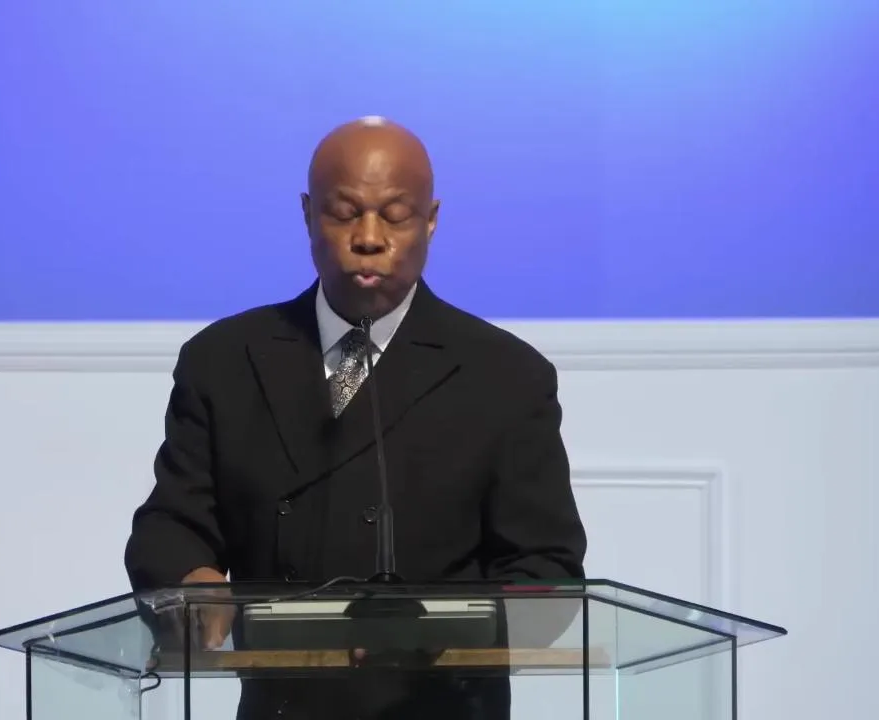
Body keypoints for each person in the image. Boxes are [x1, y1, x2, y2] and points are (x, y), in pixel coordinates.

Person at [124, 116, 587, 719]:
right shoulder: (224, 360)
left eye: (394, 215)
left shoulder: (504, 375)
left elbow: (547, 571)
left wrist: (445, 630)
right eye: (344, 213)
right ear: (307, 214)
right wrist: (189, 579)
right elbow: (171, 523)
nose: (368, 238)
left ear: (431, 220)